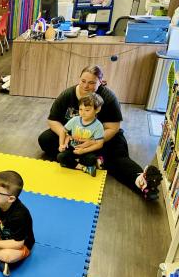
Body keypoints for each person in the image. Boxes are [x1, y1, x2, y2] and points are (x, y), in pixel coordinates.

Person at [38, 65, 163, 200]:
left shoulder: (108, 98)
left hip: (102, 139)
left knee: (117, 158)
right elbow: (53, 121)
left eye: (92, 83)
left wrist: (93, 142)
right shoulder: (67, 95)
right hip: (75, 138)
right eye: (83, 81)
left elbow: (113, 128)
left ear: (100, 82)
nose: (86, 86)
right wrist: (66, 136)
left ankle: (142, 183)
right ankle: (89, 161)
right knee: (45, 139)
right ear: (79, 79)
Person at [57, 93, 105, 177]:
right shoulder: (75, 120)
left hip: (87, 150)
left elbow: (99, 144)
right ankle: (83, 168)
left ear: (97, 110)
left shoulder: (98, 125)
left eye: (87, 110)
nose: (82, 113)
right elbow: (63, 131)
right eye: (80, 109)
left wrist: (83, 151)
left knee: (90, 159)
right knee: (61, 157)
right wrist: (61, 145)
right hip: (73, 147)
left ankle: (77, 162)